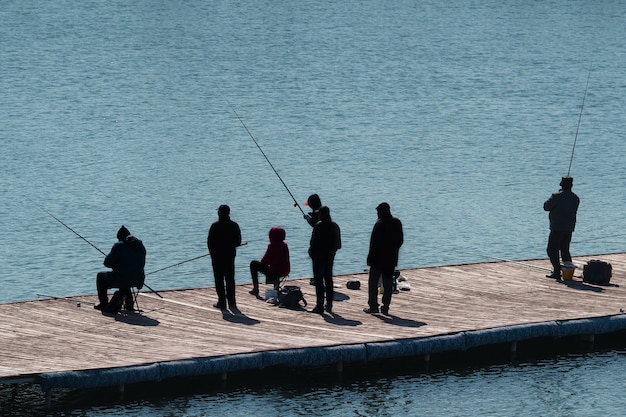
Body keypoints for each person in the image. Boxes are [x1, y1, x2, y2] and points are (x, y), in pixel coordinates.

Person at [94, 225, 146, 313]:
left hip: (122, 278)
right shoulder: (140, 246)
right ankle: (129, 305)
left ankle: (103, 304)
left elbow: (107, 263)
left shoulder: (119, 246)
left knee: (100, 276)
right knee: (126, 278)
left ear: (120, 238)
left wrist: (115, 264)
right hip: (138, 279)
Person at [364, 202, 404, 316]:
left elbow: (374, 243)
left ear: (382, 211)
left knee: (373, 282)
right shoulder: (397, 222)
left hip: (377, 259)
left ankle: (373, 306)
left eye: (378, 212)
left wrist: (370, 258)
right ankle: (385, 306)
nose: (377, 214)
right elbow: (400, 241)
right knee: (387, 283)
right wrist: (394, 251)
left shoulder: (379, 223)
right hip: (391, 258)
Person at [543, 176, 580, 279]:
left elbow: (546, 207)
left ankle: (557, 271)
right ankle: (568, 272)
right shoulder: (575, 198)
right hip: (569, 228)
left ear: (561, 184)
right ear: (571, 185)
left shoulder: (556, 196)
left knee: (552, 249)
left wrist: (557, 195)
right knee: (565, 249)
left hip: (557, 227)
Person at [208, 205, 242, 310]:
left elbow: (210, 243)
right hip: (230, 256)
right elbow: (238, 242)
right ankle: (232, 303)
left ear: (220, 213)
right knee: (230, 279)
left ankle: (222, 302)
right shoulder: (234, 225)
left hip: (217, 257)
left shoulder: (215, 226)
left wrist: (212, 254)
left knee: (219, 280)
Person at [308, 205, 341, 314]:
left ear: (321, 214)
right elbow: (338, 244)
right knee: (329, 281)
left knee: (319, 282)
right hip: (330, 257)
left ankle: (319, 306)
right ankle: (329, 304)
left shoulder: (318, 226)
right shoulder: (335, 226)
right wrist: (332, 251)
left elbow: (313, 243)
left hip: (318, 258)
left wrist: (311, 253)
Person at [249, 226, 290, 296]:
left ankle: (256, 289)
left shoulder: (272, 246)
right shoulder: (285, 245)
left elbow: (264, 261)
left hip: (274, 271)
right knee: (275, 268)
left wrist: (265, 264)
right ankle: (276, 286)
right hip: (285, 271)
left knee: (253, 264)